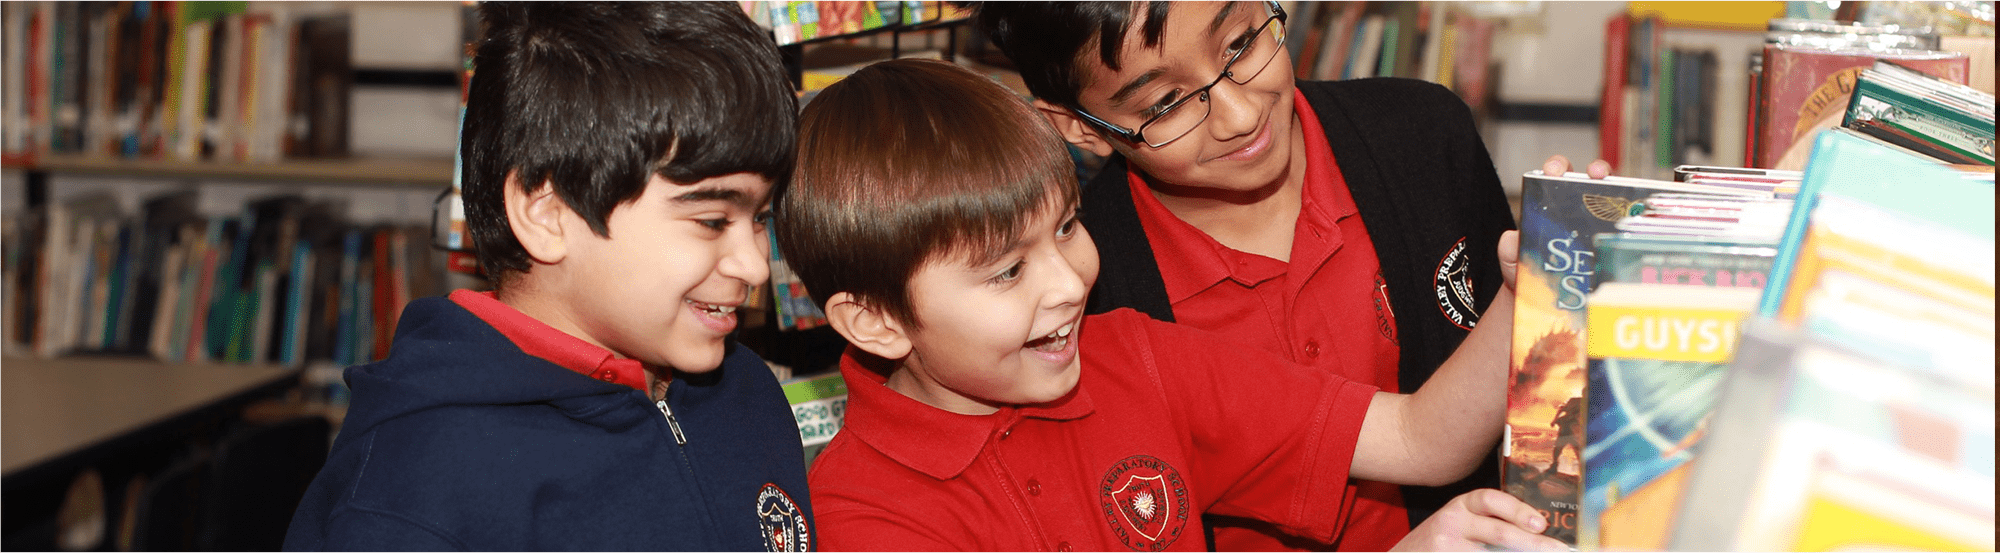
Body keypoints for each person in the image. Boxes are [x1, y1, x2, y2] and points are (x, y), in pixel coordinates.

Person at [777, 58, 1565, 553]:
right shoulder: (860, 515)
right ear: (874, 318)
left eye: (1067, 227)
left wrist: (1538, 287)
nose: (1069, 280)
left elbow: (1419, 438)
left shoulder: (1137, 357)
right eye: (1008, 271)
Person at [967, 2, 1604, 549]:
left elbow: (1532, 408)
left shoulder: (1423, 138)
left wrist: (1576, 287)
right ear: (1079, 126)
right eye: (1166, 103)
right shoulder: (1079, 294)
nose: (1241, 115)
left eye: (1241, 44)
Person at [283, 2, 813, 550]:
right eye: (711, 220)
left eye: (761, 217)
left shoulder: (748, 396)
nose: (752, 264)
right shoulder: (415, 489)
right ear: (549, 217)